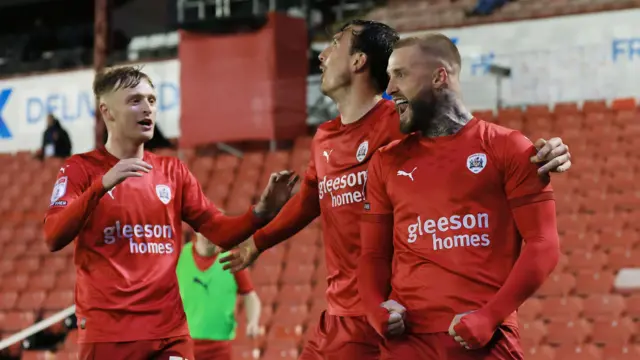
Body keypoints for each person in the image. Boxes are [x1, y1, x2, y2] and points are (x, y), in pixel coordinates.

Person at [220, 20, 571, 360]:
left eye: (335, 44)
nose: (322, 56)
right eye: (392, 76)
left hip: (407, 318)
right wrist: (258, 239)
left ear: (359, 61)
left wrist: (548, 150)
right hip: (357, 312)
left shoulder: (400, 122)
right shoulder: (328, 139)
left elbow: (458, 132)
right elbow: (312, 200)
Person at [42, 66, 297, 360]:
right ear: (107, 111)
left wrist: (261, 213)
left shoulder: (173, 171)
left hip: (169, 334)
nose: (147, 108)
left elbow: (218, 231)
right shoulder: (79, 169)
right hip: (109, 335)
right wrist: (101, 185)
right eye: (135, 100)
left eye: (152, 100)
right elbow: (52, 236)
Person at [357, 34, 559, 359]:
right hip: (408, 342)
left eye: (401, 74)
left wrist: (490, 316)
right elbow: (372, 255)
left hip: (484, 338)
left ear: (439, 77)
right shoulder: (385, 161)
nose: (389, 88)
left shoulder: (508, 147)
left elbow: (544, 245)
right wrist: (374, 310)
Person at [177, 233, 261, 360]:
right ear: (196, 230)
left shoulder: (233, 260)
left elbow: (250, 296)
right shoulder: (179, 256)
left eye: (215, 231)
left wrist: (253, 321)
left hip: (219, 347)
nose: (208, 236)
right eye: (205, 230)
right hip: (182, 343)